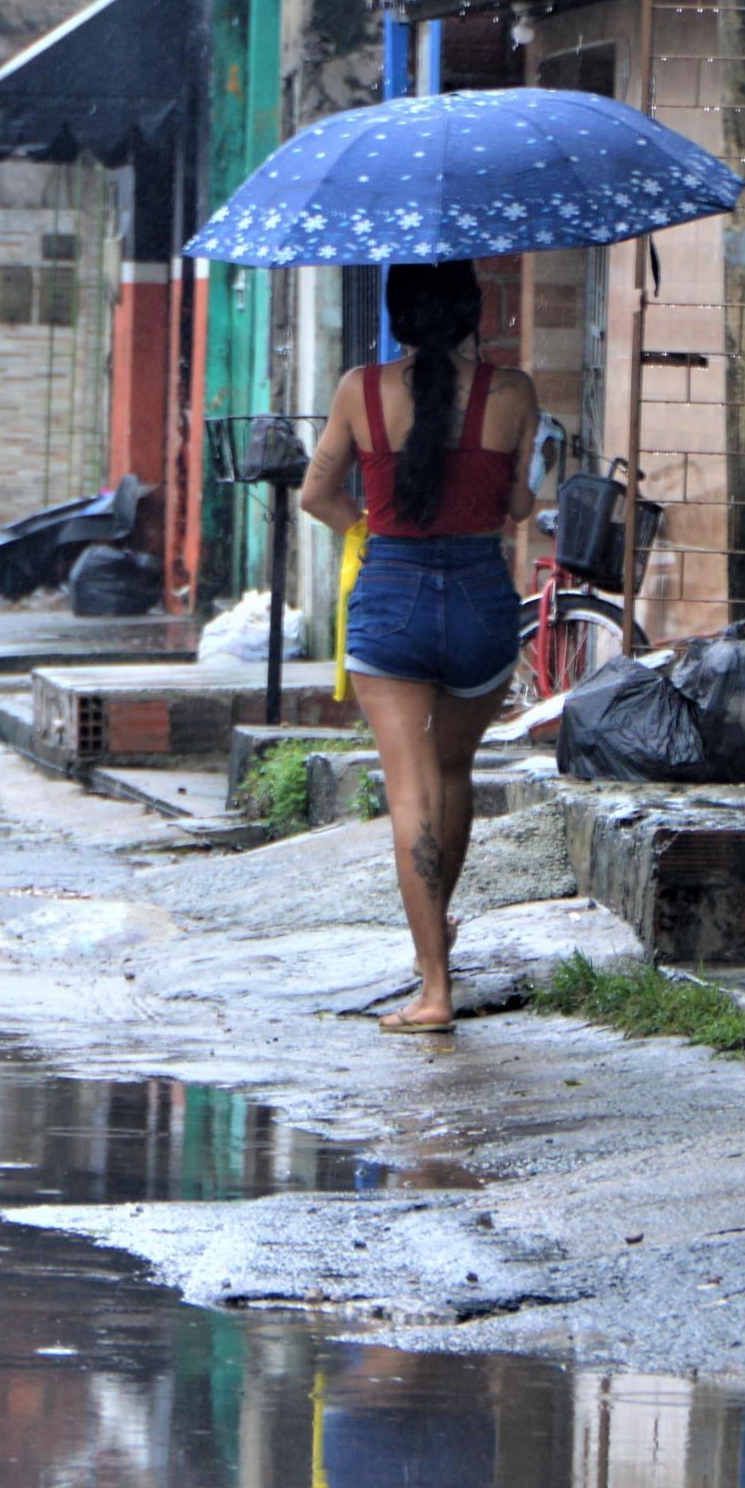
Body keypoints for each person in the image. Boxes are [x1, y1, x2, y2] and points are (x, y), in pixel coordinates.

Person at [299, 260, 538, 1034]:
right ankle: (439, 937)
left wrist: (368, 531)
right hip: (479, 598)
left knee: (409, 792)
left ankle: (434, 982)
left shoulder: (358, 390)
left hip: (392, 595)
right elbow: (516, 505)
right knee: (454, 770)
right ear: (473, 311)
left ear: (398, 316)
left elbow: (317, 494)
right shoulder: (514, 393)